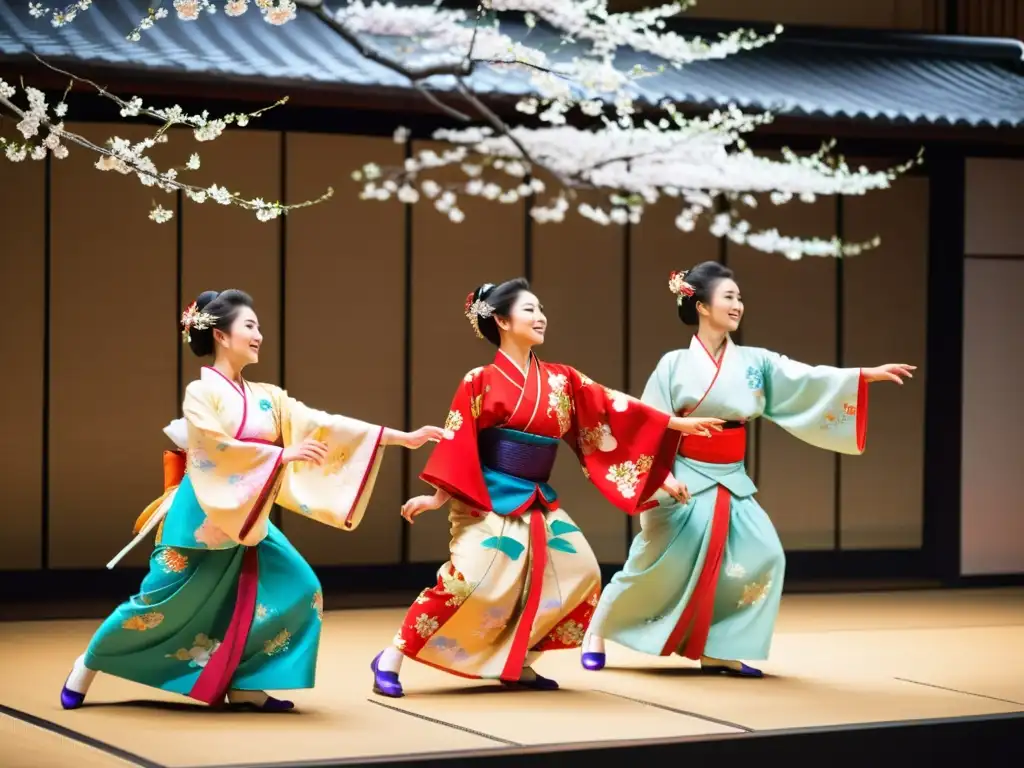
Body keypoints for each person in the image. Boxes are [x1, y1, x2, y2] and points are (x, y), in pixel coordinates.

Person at [60, 290, 444, 711]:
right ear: (222, 335)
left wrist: (401, 438)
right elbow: (213, 448)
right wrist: (280, 454)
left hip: (247, 516)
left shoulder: (267, 395)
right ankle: (88, 664)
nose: (259, 334)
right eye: (250, 326)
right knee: (160, 602)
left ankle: (246, 683)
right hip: (200, 516)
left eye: (258, 327)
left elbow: (322, 424)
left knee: (300, 586)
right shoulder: (200, 392)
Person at [369, 278, 723, 697]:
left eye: (541, 309)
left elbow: (614, 410)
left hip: (538, 498)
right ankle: (391, 656)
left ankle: (520, 662)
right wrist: (437, 497)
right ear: (501, 320)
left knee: (582, 572)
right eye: (530, 310)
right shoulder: (479, 379)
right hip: (488, 497)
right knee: (470, 581)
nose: (541, 317)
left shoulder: (561, 379)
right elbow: (458, 441)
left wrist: (672, 425)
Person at [581, 262, 915, 677]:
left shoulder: (756, 361)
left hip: (732, 476)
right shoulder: (673, 364)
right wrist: (663, 478)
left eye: (739, 298)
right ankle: (597, 629)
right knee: (656, 565)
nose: (738, 305)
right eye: (729, 297)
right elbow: (649, 424)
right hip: (683, 474)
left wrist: (863, 375)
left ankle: (719, 647)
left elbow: (805, 379)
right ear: (701, 305)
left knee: (764, 554)